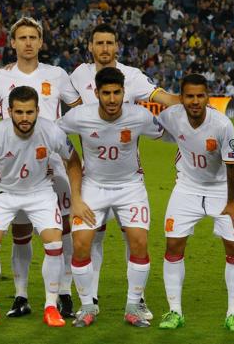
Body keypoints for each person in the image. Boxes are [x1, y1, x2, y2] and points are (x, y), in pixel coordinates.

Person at [63, 23, 180, 319]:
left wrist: (190, 109)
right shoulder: (78, 75)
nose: (104, 48)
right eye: (99, 43)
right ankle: (89, 301)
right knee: (88, 241)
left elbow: (162, 104)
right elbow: (57, 127)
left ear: (117, 47)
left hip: (129, 180)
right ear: (90, 46)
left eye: (109, 43)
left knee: (136, 240)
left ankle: (135, 302)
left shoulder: (134, 79)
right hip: (92, 178)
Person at [0, 16, 76, 319]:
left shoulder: (57, 74)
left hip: (53, 162)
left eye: (34, 37)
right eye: (23, 38)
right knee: (20, 233)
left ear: (41, 42)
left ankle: (64, 294)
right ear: (14, 42)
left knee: (62, 231)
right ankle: (20, 296)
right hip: (13, 163)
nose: (28, 43)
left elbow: (79, 107)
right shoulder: (1, 77)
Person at [0, 85, 86, 327]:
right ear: (9, 111)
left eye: (30, 112)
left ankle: (51, 306)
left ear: (38, 110)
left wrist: (77, 199)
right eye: (19, 112)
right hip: (3, 192)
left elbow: (72, 161)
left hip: (40, 192)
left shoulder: (51, 131)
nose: (24, 118)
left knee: (54, 243)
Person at [56, 67, 164, 328]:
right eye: (107, 93)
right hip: (93, 187)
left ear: (124, 93)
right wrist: (69, 155)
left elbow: (169, 133)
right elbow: (52, 133)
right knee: (81, 244)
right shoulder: (80, 116)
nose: (112, 99)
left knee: (139, 242)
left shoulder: (139, 115)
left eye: (117, 93)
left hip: (131, 187)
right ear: (98, 93)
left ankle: (133, 306)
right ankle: (87, 307)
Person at [156, 74, 234, 332]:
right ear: (181, 97)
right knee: (173, 245)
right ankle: (174, 311)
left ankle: (233, 314)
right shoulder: (172, 116)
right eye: (189, 96)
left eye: (200, 96)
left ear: (208, 97)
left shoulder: (222, 125)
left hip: (221, 190)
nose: (195, 101)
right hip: (187, 187)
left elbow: (232, 166)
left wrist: (231, 202)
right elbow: (151, 128)